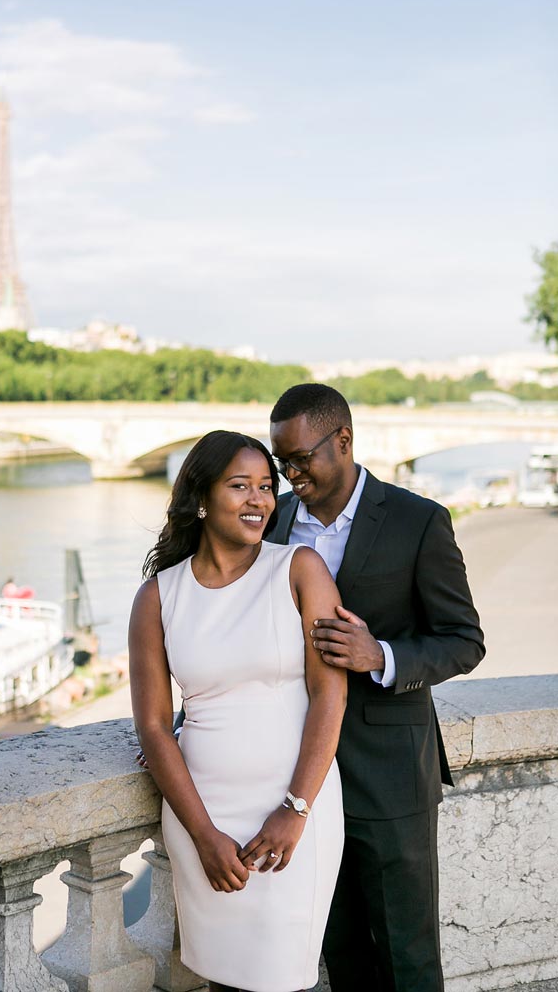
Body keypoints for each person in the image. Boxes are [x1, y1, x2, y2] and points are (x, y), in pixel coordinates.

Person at [268, 384, 485, 992]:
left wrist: (380, 656)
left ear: (343, 440)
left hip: (391, 775)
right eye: (280, 460)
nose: (289, 474)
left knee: (407, 956)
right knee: (340, 952)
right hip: (302, 775)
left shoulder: (419, 521)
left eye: (301, 458)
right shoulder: (275, 519)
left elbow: (464, 639)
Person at [129, 430, 347, 992]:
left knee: (282, 977)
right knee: (223, 981)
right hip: (202, 815)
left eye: (266, 487)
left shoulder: (299, 570)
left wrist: (294, 808)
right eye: (240, 486)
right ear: (201, 497)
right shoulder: (158, 597)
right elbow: (154, 726)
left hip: (295, 810)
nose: (259, 499)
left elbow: (330, 694)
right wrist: (202, 835)